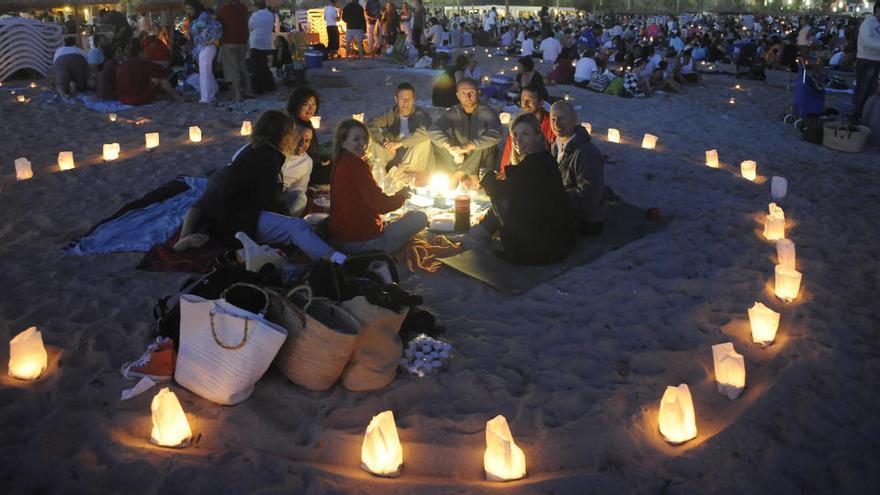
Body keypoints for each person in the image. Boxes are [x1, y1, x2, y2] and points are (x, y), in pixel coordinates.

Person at [212, 110, 348, 265]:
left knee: (299, 225)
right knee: (297, 228)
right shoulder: (269, 157)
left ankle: (331, 257)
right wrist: (283, 214)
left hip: (235, 216)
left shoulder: (257, 149)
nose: (294, 139)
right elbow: (266, 200)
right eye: (292, 133)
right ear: (283, 134)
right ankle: (339, 262)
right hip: (239, 222)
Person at [464, 113, 575, 265]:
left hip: (537, 246)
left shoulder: (535, 164)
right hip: (554, 240)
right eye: (515, 134)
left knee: (500, 198)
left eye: (525, 134)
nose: (518, 140)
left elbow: (506, 193)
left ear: (537, 136)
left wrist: (487, 177)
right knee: (502, 195)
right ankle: (480, 233)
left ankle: (478, 235)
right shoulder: (543, 158)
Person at [329, 119, 428, 253]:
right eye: (356, 139)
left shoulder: (341, 162)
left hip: (340, 236)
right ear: (343, 142)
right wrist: (401, 196)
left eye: (365, 138)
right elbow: (381, 205)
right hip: (363, 242)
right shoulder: (355, 165)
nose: (363, 143)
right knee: (419, 217)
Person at [549, 101, 606, 235]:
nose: (556, 124)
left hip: (585, 218)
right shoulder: (556, 145)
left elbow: (589, 196)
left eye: (562, 118)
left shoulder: (586, 153)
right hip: (563, 204)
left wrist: (553, 198)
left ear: (575, 119)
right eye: (553, 119)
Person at [429, 78, 501, 185]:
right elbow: (434, 130)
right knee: (437, 142)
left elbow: (496, 133)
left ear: (478, 93)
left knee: (487, 144)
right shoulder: (454, 112)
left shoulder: (487, 112)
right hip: (459, 157)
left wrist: (467, 146)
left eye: (471, 92)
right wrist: (451, 147)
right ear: (458, 96)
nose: (467, 97)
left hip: (480, 159)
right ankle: (465, 173)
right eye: (463, 93)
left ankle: (460, 174)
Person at [368, 82, 433, 173]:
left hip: (413, 157)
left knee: (425, 140)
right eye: (402, 99)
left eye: (409, 99)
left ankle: (400, 171)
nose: (406, 102)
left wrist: (400, 144)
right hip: (393, 153)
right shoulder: (390, 113)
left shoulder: (420, 114)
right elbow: (371, 124)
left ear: (413, 100)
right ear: (396, 99)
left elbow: (425, 132)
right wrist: (384, 143)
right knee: (373, 141)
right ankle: (378, 174)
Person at [499, 87, 555, 171]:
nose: (525, 104)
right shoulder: (518, 125)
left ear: (541, 102)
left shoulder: (552, 125)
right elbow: (507, 156)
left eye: (530, 100)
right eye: (522, 100)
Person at [286, 86, 331, 185]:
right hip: (305, 171)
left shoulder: (306, 122)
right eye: (306, 104)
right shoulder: (296, 126)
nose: (311, 109)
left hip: (313, 164)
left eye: (313, 104)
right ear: (296, 105)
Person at [116, 40, 181, 105]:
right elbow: (162, 74)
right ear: (140, 53)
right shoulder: (144, 64)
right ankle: (175, 96)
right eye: (145, 52)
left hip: (123, 99)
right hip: (139, 99)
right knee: (157, 77)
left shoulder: (121, 65)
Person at [185, 0, 222, 104]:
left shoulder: (203, 17)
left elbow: (206, 30)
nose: (188, 11)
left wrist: (209, 40)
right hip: (206, 46)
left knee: (204, 72)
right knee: (206, 71)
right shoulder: (204, 16)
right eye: (187, 9)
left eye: (190, 9)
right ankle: (211, 93)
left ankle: (206, 97)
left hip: (206, 46)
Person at [217, 0, 253, 101]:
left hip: (229, 41)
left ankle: (238, 95)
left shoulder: (224, 9)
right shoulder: (243, 7)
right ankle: (249, 91)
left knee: (233, 69)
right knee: (243, 66)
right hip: (243, 41)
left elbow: (219, 25)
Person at [280, 121, 315, 218]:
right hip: (260, 192)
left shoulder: (306, 162)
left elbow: (299, 189)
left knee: (300, 198)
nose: (302, 144)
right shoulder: (275, 151)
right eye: (298, 138)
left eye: (307, 140)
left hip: (281, 197)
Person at [853, 2, 880, 123]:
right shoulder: (868, 23)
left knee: (871, 89)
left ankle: (865, 115)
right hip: (865, 60)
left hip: (876, 60)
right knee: (862, 89)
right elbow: (867, 41)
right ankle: (857, 114)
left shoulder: (878, 24)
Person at [249, 1, 276, 94]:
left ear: (256, 6)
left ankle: (258, 88)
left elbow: (250, 26)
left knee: (256, 67)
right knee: (264, 65)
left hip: (256, 42)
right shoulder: (271, 15)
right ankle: (269, 85)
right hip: (266, 42)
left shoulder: (255, 16)